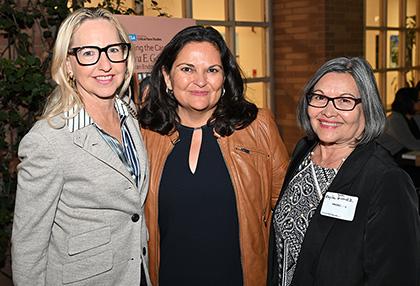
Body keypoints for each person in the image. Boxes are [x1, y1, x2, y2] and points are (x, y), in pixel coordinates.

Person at [139, 25, 289, 286]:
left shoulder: (258, 126)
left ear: (224, 77)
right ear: (166, 77)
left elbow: (287, 210)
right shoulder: (144, 134)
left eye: (212, 70)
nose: (200, 80)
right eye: (187, 69)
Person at [11, 8, 151, 286]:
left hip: (137, 274)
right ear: (68, 65)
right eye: (89, 53)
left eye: (113, 50)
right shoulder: (48, 140)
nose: (105, 64)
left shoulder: (132, 117)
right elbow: (28, 246)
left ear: (126, 57)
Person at [268, 56, 420, 286]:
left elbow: (396, 275)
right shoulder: (303, 151)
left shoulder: (387, 180)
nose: (328, 112)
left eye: (345, 100)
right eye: (319, 97)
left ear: (367, 108)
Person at [385, 87, 420, 151]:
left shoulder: (415, 116)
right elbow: (411, 144)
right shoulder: (394, 120)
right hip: (396, 157)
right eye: (418, 100)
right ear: (409, 102)